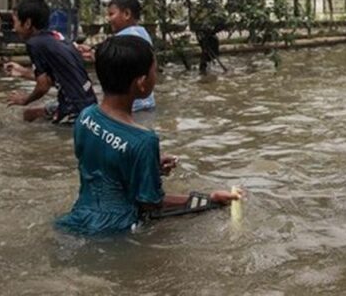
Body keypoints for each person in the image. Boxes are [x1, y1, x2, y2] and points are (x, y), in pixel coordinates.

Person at [55, 36, 241, 235]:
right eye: (154, 71)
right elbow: (151, 203)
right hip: (117, 230)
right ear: (142, 83)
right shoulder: (144, 140)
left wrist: (150, 167)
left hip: (77, 219)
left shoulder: (86, 116)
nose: (156, 76)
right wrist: (209, 199)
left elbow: (98, 165)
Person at [4, 0, 98, 124]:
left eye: (15, 22)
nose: (14, 28)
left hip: (73, 108)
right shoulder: (56, 37)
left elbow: (43, 87)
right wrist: (23, 72)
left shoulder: (34, 43)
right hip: (89, 103)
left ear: (27, 23)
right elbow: (58, 79)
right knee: (29, 114)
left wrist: (25, 100)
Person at [77, 0, 156, 112]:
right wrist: (96, 55)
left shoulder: (126, 38)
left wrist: (97, 56)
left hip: (131, 107)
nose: (108, 19)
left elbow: (118, 65)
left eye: (111, 14)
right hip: (145, 102)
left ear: (127, 14)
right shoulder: (142, 33)